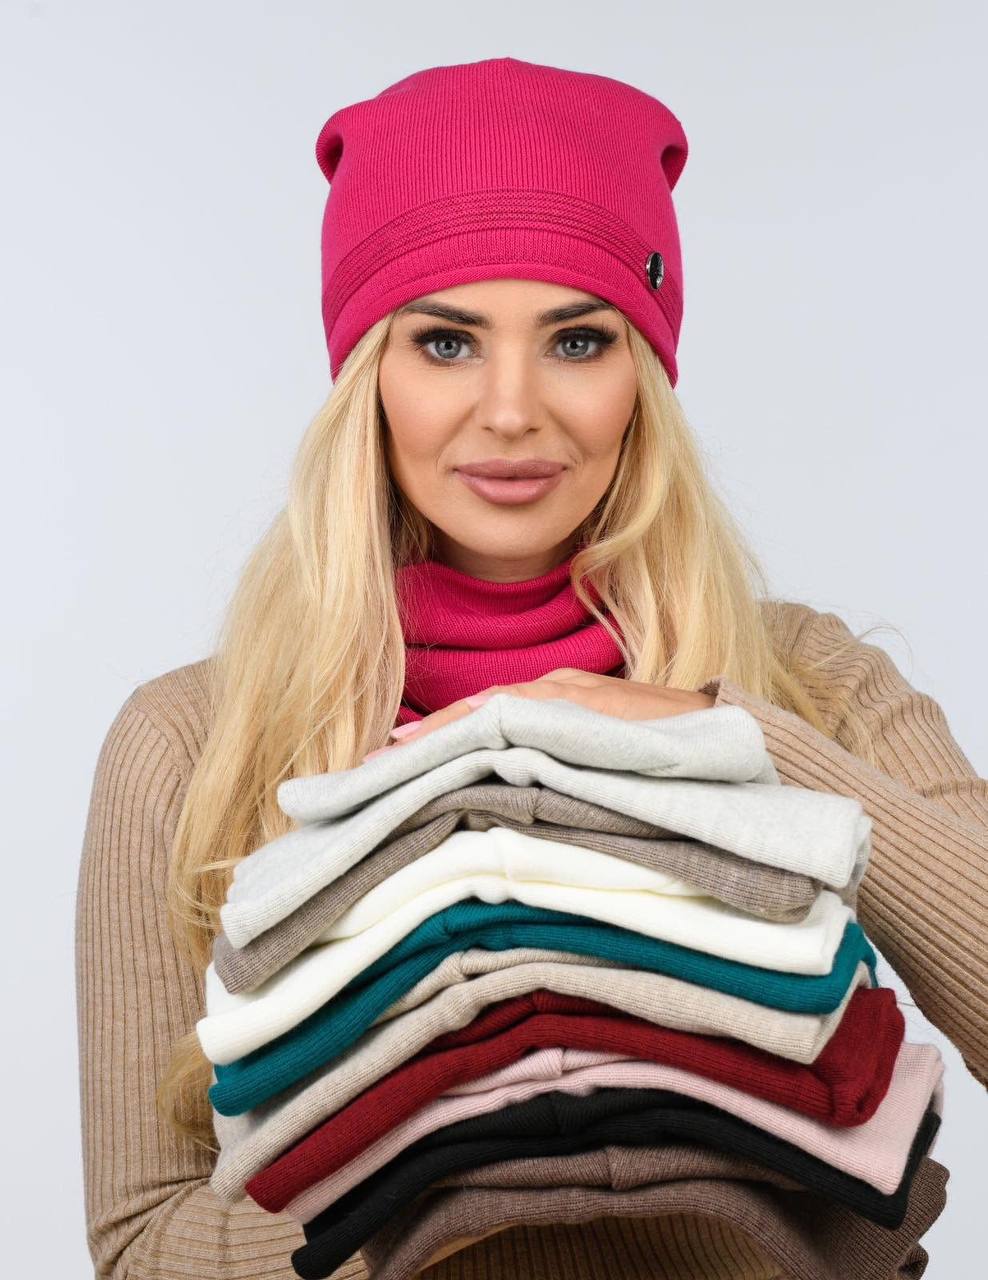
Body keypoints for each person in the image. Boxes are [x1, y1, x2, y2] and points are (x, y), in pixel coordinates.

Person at [75, 56, 987, 1280]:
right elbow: (141, 1242)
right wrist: (459, 1166)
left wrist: (740, 740)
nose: (510, 409)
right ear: (368, 374)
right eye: (446, 340)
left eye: (576, 338)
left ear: (641, 373)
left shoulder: (809, 683)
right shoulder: (194, 741)